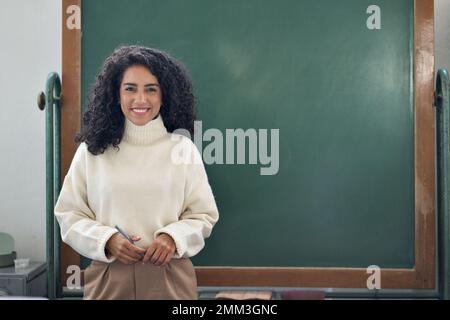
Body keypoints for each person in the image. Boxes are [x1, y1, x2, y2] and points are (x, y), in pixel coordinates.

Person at [54, 45, 219, 300]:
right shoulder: (93, 151)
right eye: (130, 89)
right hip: (108, 280)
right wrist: (106, 239)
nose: (140, 100)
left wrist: (172, 238)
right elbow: (68, 214)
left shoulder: (182, 148)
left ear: (164, 96)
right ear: (116, 95)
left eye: (151, 89)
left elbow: (203, 215)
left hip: (170, 279)